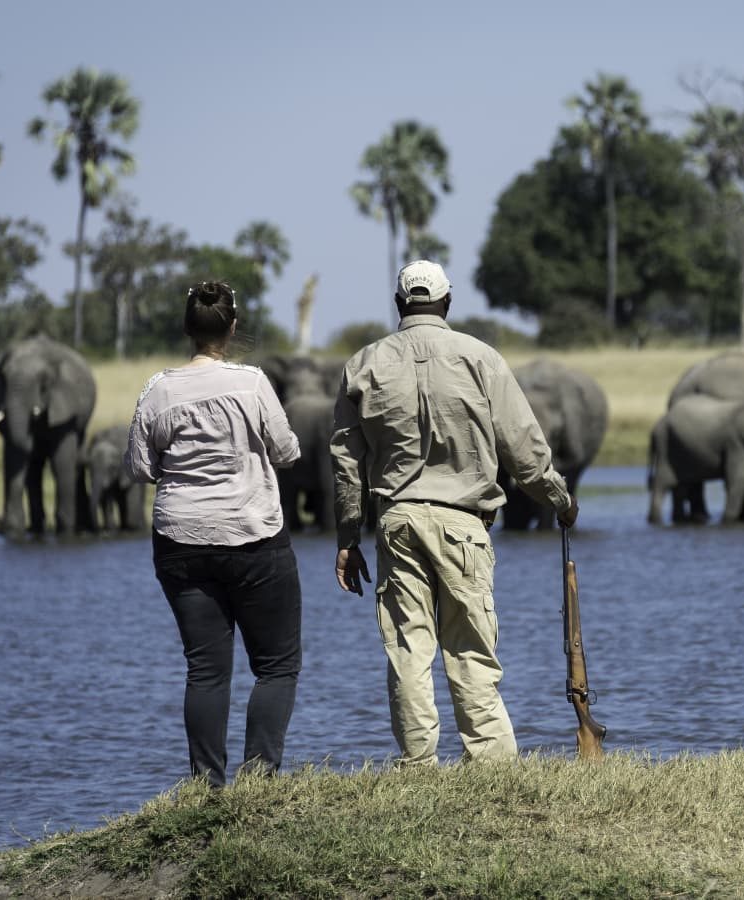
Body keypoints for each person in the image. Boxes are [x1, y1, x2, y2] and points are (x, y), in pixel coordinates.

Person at [331, 259, 578, 766]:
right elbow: (525, 451)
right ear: (446, 302)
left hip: (397, 523)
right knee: (470, 650)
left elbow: (346, 462)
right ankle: (491, 766)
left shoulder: (364, 365)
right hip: (463, 526)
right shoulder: (481, 358)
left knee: (408, 651)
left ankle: (419, 766)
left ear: (400, 304)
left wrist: (347, 538)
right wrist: (560, 500)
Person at [124, 281, 303, 788]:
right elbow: (287, 452)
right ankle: (259, 779)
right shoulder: (252, 382)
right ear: (232, 327)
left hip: (180, 542)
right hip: (255, 537)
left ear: (187, 328)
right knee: (275, 666)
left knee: (205, 669)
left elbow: (140, 467)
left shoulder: (157, 389)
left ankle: (206, 787)